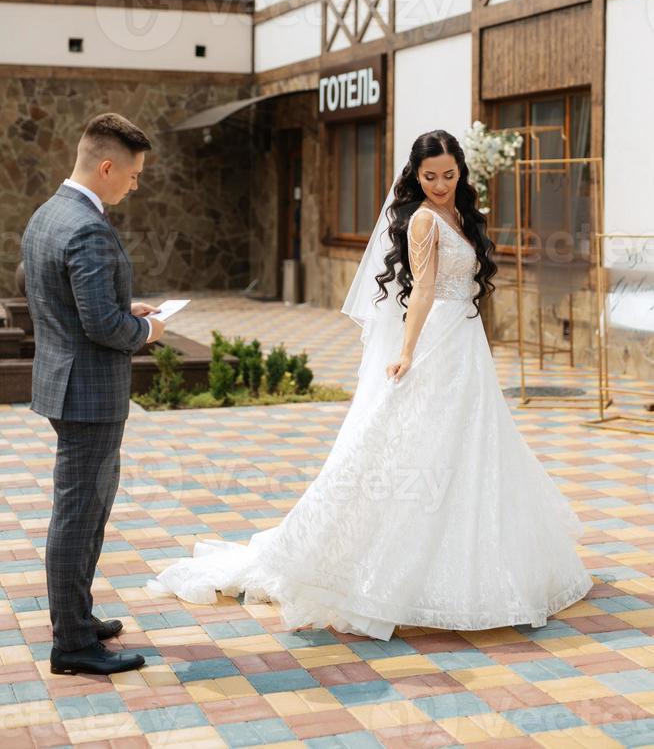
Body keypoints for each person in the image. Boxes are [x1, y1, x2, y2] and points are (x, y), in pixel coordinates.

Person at [147, 129, 592, 640]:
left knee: (471, 446)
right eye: (430, 176)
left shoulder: (458, 214)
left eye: (449, 175)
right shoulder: (423, 219)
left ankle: (478, 559)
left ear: (461, 172)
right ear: (415, 175)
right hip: (434, 341)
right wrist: (406, 352)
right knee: (414, 447)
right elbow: (422, 289)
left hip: (464, 343)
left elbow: (464, 282)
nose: (441, 184)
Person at [21, 112, 167, 675]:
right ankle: (72, 645)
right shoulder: (88, 227)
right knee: (80, 515)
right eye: (132, 176)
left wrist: (119, 308)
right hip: (88, 393)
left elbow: (62, 300)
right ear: (107, 167)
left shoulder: (47, 215)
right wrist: (147, 330)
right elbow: (104, 330)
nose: (135, 185)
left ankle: (77, 620)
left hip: (66, 385)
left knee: (84, 510)